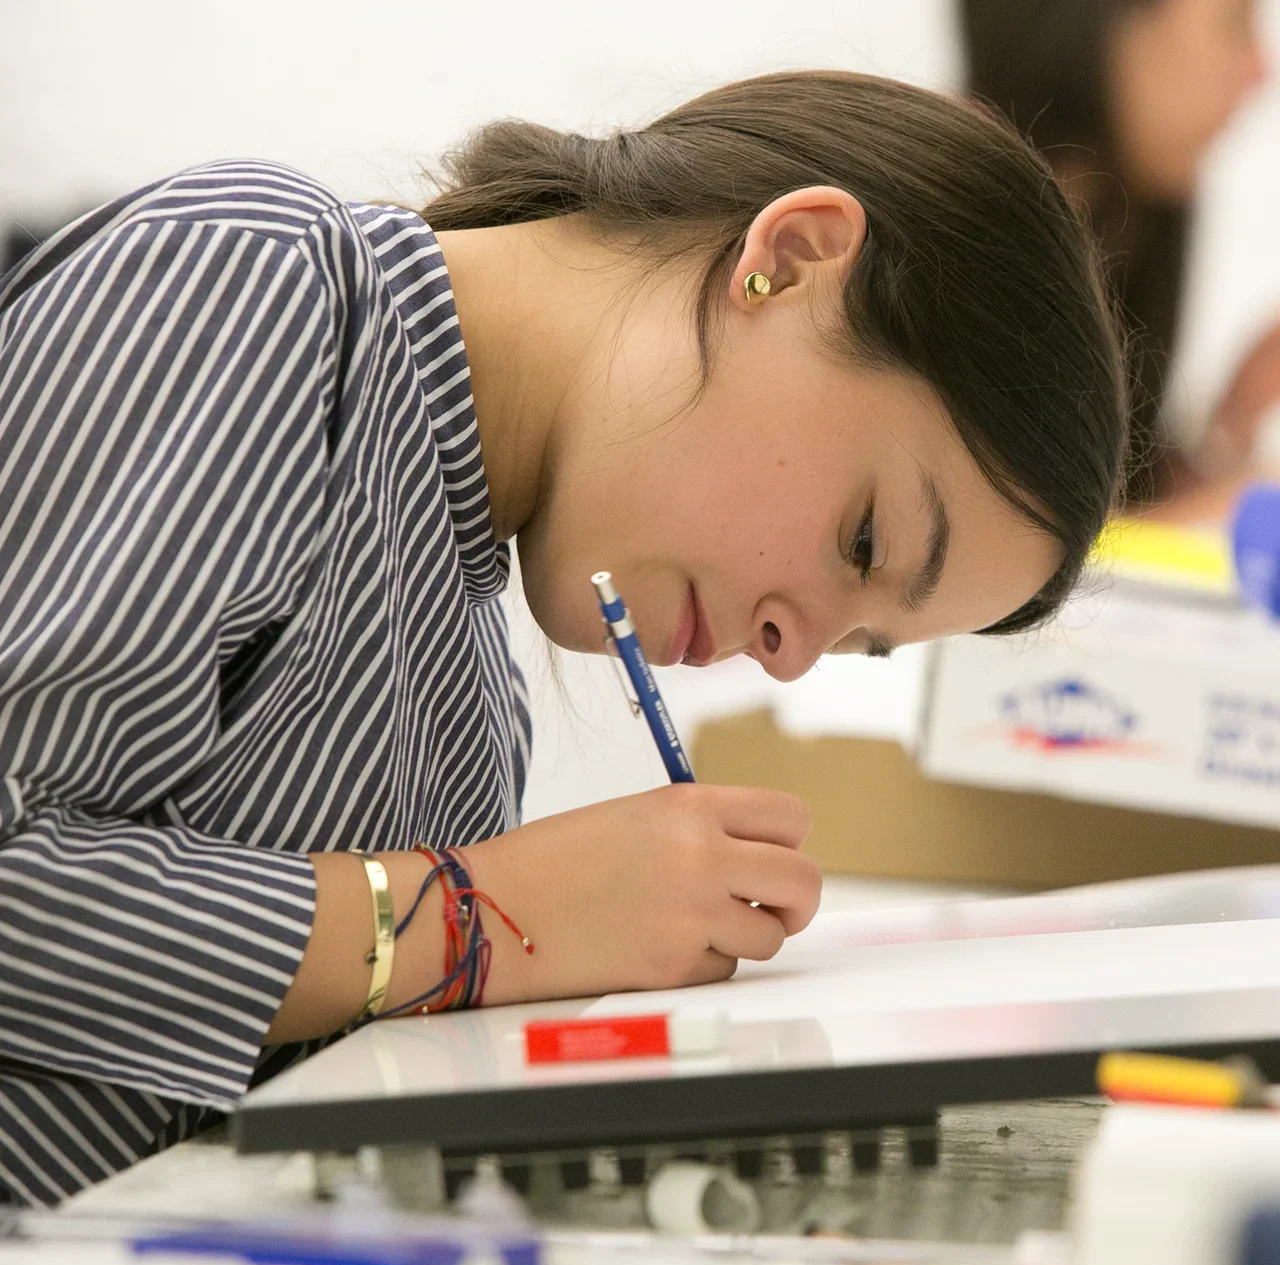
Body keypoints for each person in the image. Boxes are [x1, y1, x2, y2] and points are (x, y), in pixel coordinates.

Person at [0, 69, 1127, 1204]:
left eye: (858, 643)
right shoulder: (260, 282)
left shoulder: (471, 701)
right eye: (862, 537)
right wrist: (484, 913)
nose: (789, 652)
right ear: (784, 264)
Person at [961, 0, 1275, 511]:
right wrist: (1220, 504)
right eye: (1236, 23)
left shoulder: (1130, 224)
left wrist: (1231, 428)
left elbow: (1108, 497)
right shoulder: (944, 238)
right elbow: (1010, 535)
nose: (1262, 71)